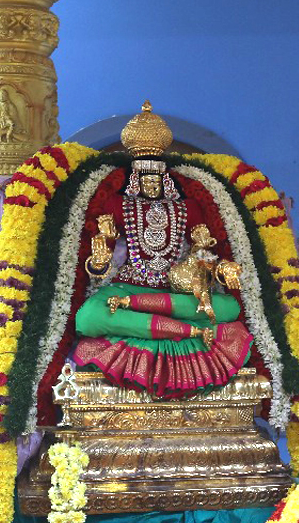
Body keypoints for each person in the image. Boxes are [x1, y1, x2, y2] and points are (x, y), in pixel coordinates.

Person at [71, 103, 252, 398]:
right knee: (88, 316)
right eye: (146, 180)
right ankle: (182, 329)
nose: (152, 186)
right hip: (128, 286)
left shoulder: (187, 208)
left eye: (157, 180)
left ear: (165, 180)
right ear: (136, 180)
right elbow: (102, 251)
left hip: (174, 293)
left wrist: (220, 267)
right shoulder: (118, 205)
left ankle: (162, 324)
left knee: (229, 309)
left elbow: (202, 251)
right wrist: (100, 260)